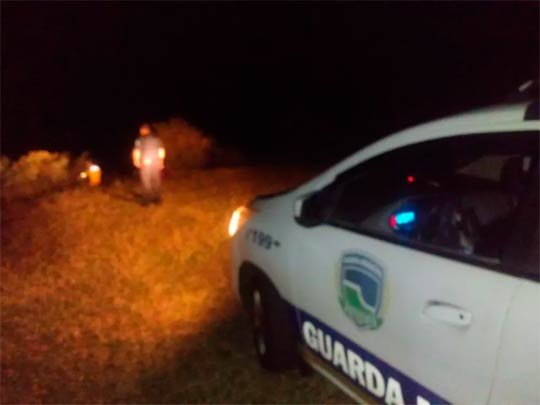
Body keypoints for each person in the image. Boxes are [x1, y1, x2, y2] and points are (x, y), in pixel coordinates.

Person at [132, 124, 165, 204]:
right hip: (155, 162)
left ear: (144, 130)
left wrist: (136, 161)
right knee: (156, 180)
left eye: (141, 130)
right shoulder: (157, 139)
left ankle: (147, 200)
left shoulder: (139, 140)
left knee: (146, 181)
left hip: (145, 162)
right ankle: (157, 199)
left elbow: (137, 151)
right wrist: (161, 162)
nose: (140, 132)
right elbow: (161, 150)